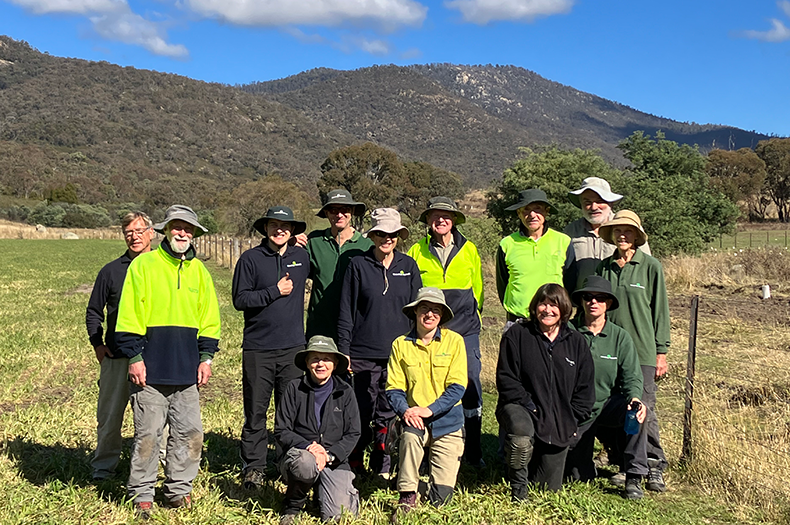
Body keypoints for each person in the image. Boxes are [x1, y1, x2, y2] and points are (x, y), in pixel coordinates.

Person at [115, 205, 220, 519]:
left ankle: (178, 490)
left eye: (189, 230)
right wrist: (134, 357)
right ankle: (142, 494)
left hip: (187, 372)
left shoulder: (199, 271)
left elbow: (210, 320)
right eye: (177, 227)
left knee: (190, 434)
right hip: (149, 371)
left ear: (195, 234)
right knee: (148, 436)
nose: (183, 233)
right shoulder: (144, 266)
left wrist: (206, 358)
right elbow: (129, 315)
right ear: (165, 230)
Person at [337, 208, 421, 478]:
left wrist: (417, 345)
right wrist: (344, 350)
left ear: (399, 236)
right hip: (362, 352)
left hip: (398, 353)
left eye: (392, 234)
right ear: (373, 236)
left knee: (388, 410)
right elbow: (346, 311)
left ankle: (382, 461)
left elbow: (418, 311)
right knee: (361, 409)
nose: (387, 238)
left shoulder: (408, 266)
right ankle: (354, 460)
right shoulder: (358, 266)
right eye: (382, 234)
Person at [232, 206, 310, 490]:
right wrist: (274, 291)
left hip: (293, 348)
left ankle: (286, 462)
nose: (280, 230)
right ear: (265, 228)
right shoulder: (250, 259)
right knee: (255, 411)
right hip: (258, 349)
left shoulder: (301, 257)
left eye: (286, 226)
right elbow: (240, 299)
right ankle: (253, 467)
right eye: (275, 225)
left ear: (293, 231)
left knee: (288, 411)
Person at [496, 283, 595, 501]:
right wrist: (530, 406)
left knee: (548, 489)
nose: (547, 310)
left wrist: (573, 419)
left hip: (558, 420)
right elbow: (506, 380)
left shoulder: (577, 342)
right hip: (520, 407)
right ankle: (518, 488)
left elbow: (585, 389)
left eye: (554, 305)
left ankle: (528, 468)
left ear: (564, 309)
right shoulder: (517, 335)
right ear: (535, 307)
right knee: (521, 435)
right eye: (543, 304)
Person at [407, 196, 485, 467]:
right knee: (429, 386)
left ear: (454, 220)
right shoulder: (417, 251)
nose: (441, 220)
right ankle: (428, 452)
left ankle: (474, 452)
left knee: (471, 383)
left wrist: (473, 315)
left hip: (465, 330)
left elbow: (479, 291)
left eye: (446, 216)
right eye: (435, 216)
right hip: (430, 331)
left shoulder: (470, 249)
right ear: (428, 220)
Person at [596, 210, 670, 493]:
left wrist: (661, 351)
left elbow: (660, 310)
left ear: (637, 236)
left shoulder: (650, 267)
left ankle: (654, 464)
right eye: (617, 231)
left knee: (643, 409)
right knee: (615, 407)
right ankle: (626, 464)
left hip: (642, 351)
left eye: (628, 231)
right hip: (610, 349)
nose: (622, 236)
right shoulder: (604, 268)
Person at [386, 287, 467, 519]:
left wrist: (429, 410)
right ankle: (407, 493)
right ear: (415, 313)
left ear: (442, 316)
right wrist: (406, 411)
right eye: (424, 309)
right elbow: (394, 388)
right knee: (410, 436)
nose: (429, 314)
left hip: (448, 422)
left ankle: (416, 481)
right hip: (415, 420)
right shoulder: (400, 344)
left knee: (440, 500)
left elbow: (457, 387)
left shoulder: (455, 342)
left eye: (435, 310)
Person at [565, 276, 648, 499]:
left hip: (608, 405)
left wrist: (635, 398)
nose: (594, 302)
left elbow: (632, 376)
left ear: (608, 304)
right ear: (581, 301)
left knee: (637, 413)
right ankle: (584, 464)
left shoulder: (620, 337)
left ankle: (633, 475)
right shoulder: (567, 332)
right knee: (576, 475)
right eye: (588, 297)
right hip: (576, 412)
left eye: (600, 298)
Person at [85, 211, 154, 481]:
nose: (134, 237)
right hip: (115, 358)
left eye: (139, 231)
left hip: (151, 358)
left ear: (151, 233)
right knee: (110, 419)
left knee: (152, 421)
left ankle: (151, 469)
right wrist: (97, 344)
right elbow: (94, 310)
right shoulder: (111, 270)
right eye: (128, 233)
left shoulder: (162, 267)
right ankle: (103, 469)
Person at [275, 336, 361, 524]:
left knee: (338, 516)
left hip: (334, 460)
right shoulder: (293, 388)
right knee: (305, 464)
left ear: (335, 362)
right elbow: (282, 429)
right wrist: (309, 447)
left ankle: (323, 490)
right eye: (315, 358)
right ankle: (293, 504)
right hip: (302, 454)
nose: (320, 364)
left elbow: (353, 432)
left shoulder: (345, 391)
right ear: (306, 363)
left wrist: (330, 455)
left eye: (326, 359)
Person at [302, 189, 373, 342]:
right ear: (326, 213)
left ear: (352, 211)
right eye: (334, 210)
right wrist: (291, 242)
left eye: (344, 209)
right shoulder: (313, 242)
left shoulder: (367, 246)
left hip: (355, 327)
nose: (339, 214)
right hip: (320, 326)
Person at [563, 177, 651, 294]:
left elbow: (646, 265)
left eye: (599, 201)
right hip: (586, 302)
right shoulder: (571, 231)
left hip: (620, 300)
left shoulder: (630, 226)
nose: (594, 207)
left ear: (610, 202)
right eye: (587, 202)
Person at [496, 189, 570, 324]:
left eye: (538, 209)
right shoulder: (507, 244)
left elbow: (570, 281)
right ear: (518, 213)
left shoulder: (563, 242)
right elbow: (503, 283)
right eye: (526, 210)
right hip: (517, 320)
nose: (532, 215)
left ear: (546, 211)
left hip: (552, 319)